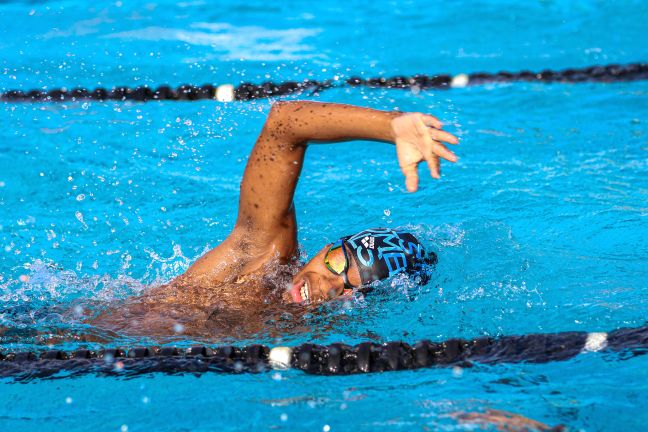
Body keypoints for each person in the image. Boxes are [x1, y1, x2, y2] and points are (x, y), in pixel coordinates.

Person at [90, 101, 459, 339]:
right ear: (328, 247)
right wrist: (391, 126)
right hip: (65, 341)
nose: (327, 288)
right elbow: (283, 124)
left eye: (352, 291)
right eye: (335, 264)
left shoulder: (315, 336)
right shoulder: (262, 259)